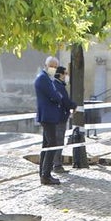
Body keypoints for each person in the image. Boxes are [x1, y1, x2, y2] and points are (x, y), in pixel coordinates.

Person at [34, 56, 67, 185]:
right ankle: (45, 175)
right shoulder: (43, 78)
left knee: (47, 145)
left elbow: (56, 95)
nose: (53, 68)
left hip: (49, 116)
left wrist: (57, 96)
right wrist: (57, 97)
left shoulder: (47, 78)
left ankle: (43, 173)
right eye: (52, 66)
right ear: (46, 65)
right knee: (52, 144)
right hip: (47, 116)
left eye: (55, 66)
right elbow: (55, 96)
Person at [52, 66, 78, 173]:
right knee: (58, 141)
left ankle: (52, 164)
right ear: (61, 75)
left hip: (58, 117)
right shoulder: (58, 86)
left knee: (55, 141)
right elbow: (64, 101)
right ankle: (57, 165)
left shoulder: (57, 84)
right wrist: (73, 106)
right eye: (65, 73)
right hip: (59, 118)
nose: (67, 76)